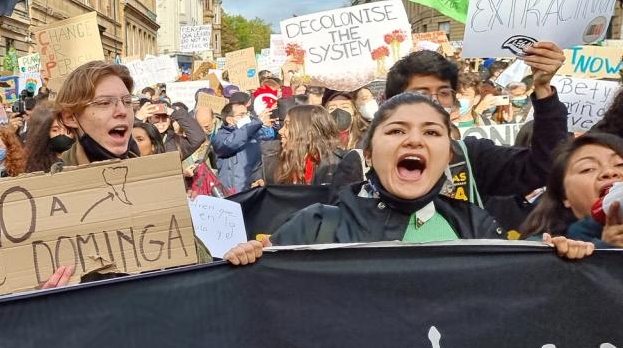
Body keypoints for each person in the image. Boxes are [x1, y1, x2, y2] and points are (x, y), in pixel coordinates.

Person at [225, 92, 595, 264]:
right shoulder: (317, 225)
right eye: (397, 131)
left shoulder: (475, 227)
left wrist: (560, 264)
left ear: (447, 156)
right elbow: (263, 308)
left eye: (432, 133)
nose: (415, 139)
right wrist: (247, 262)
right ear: (368, 153)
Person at [375, 46, 568, 207]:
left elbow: (544, 167)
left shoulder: (472, 157)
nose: (434, 102)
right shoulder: (363, 162)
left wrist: (543, 90)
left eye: (443, 93)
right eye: (422, 93)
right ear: (393, 102)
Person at [520, 132, 623, 248]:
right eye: (587, 169)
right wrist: (606, 252)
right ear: (564, 196)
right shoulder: (543, 250)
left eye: (620, 164)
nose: (610, 172)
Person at [52, 61, 140, 167]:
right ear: (70, 117)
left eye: (127, 102)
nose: (122, 111)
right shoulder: (53, 181)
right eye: (105, 103)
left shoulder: (153, 176)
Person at [275, 105, 346, 186]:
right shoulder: (280, 159)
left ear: (307, 130)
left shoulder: (336, 165)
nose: (280, 131)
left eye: (287, 125)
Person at [211, 94, 268, 193]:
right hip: (230, 192)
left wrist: (257, 178)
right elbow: (230, 143)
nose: (246, 117)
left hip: (250, 190)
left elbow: (257, 163)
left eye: (247, 114)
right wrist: (255, 124)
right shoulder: (220, 137)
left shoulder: (253, 135)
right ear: (229, 120)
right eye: (241, 115)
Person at [137, 99, 206, 156]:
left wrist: (174, 112)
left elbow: (198, 138)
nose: (161, 122)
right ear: (149, 119)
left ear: (170, 119)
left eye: (165, 117)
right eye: (157, 117)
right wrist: (138, 119)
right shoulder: (141, 139)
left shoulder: (176, 142)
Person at [22, 104, 73, 174]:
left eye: (68, 130)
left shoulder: (79, 159)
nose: (62, 133)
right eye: (55, 130)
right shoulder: (33, 165)